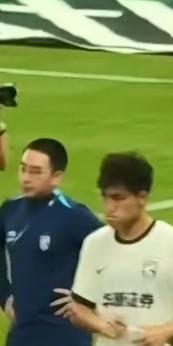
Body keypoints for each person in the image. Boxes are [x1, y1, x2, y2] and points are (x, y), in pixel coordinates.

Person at [55, 152, 173, 346]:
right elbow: (79, 309)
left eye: (118, 198)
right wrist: (101, 325)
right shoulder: (94, 244)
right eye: (105, 197)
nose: (109, 207)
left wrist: (166, 331)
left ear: (142, 198)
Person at [0, 138, 102, 346]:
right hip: (21, 335)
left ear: (57, 177)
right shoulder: (10, 210)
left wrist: (86, 299)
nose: (26, 178)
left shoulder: (74, 216)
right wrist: (4, 297)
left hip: (66, 335)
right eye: (23, 169)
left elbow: (114, 252)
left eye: (36, 172)